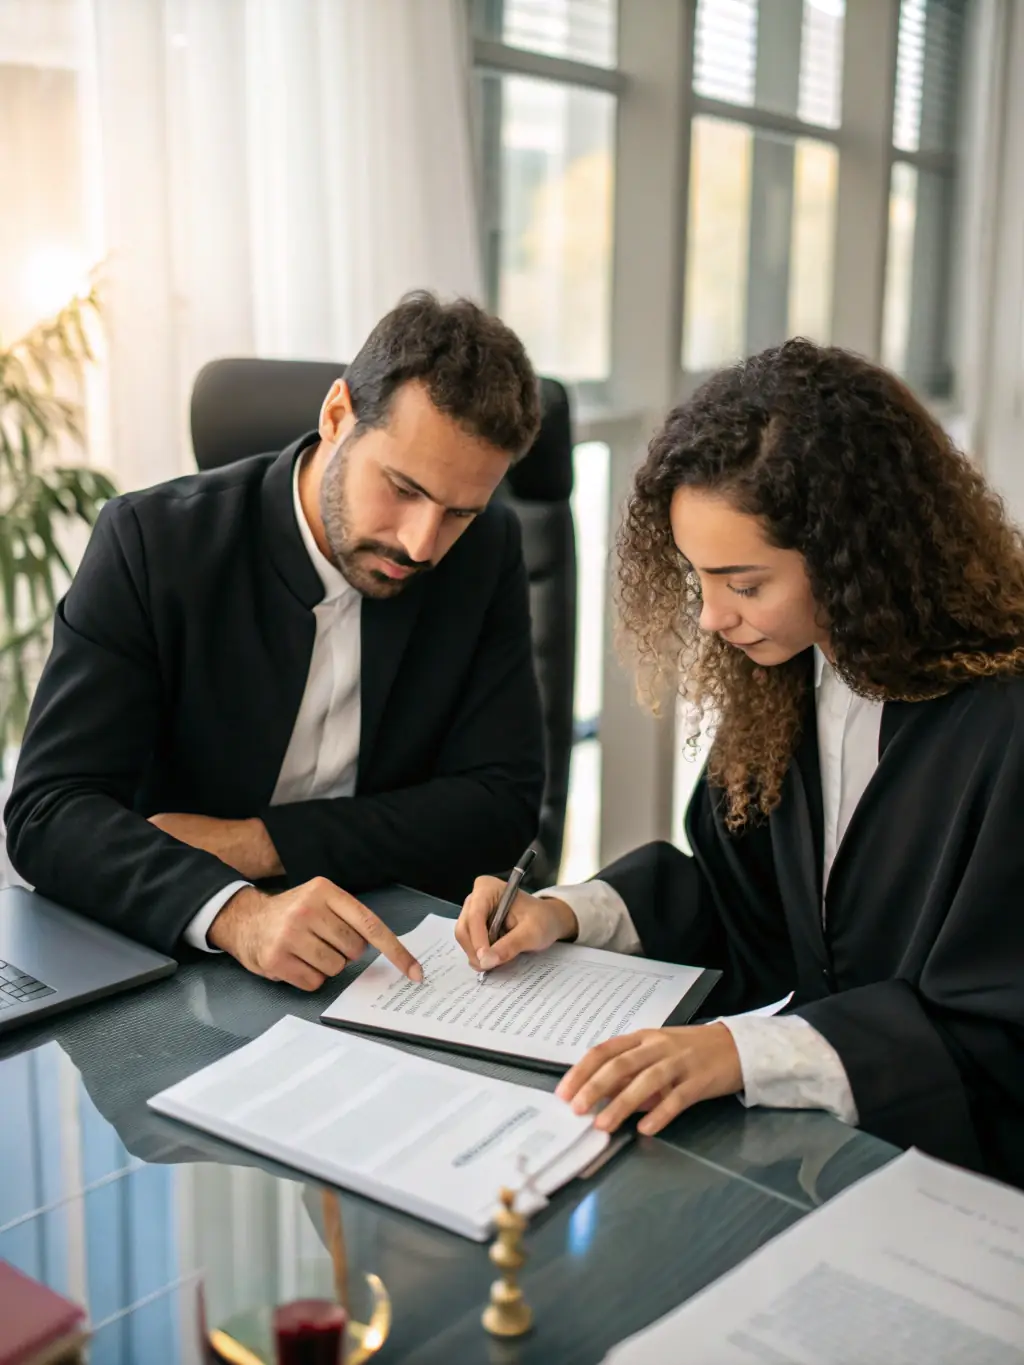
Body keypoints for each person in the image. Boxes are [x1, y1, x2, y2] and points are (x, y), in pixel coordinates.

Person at [457, 338, 1024, 1186]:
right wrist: (571, 914)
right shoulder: (793, 672)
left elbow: (994, 1028)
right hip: (823, 1154)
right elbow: (739, 897)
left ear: (855, 556)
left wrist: (743, 1052)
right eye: (700, 578)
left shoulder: (1004, 721)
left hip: (957, 1182)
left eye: (746, 583)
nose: (715, 617)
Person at [6, 292, 545, 992]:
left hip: (396, 961)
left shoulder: (487, 549)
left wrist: (255, 843)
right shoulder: (153, 543)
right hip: (176, 960)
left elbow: (499, 807)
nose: (421, 543)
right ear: (335, 415)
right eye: (403, 488)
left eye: (459, 513)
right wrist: (237, 912)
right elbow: (49, 812)